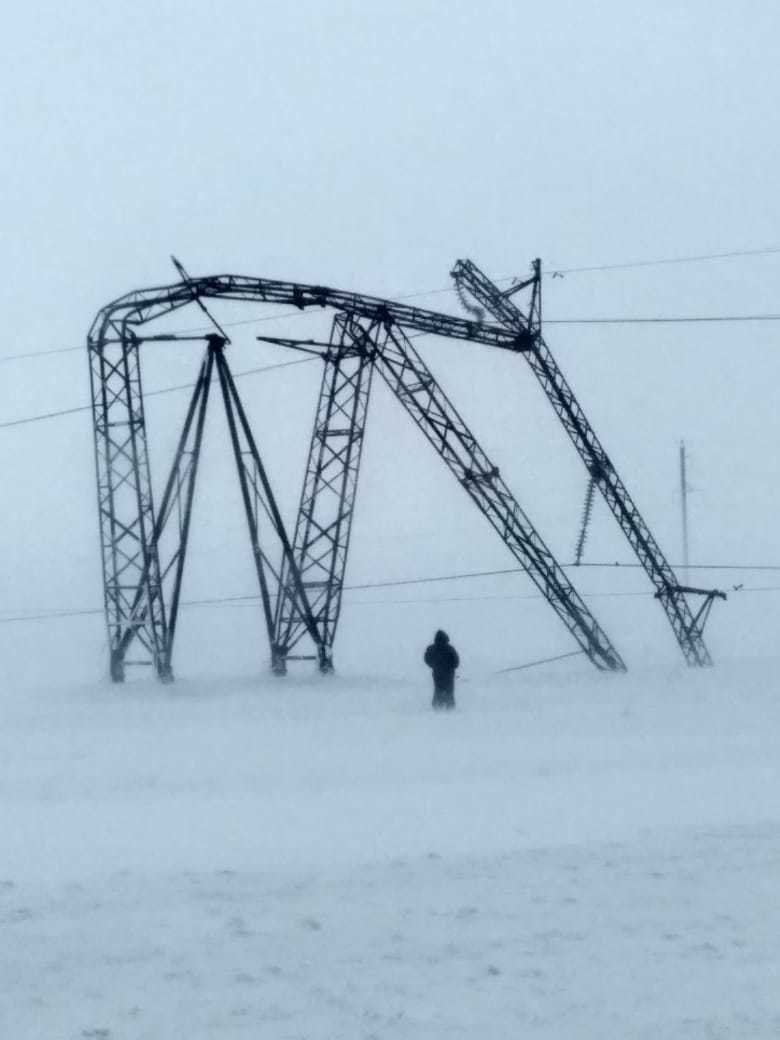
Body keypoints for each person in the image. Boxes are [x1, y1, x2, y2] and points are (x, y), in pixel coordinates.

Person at [424, 629, 460, 710]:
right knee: (449, 690)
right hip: (449, 674)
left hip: (437, 674)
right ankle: (449, 708)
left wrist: (433, 666)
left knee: (438, 690)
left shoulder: (431, 648)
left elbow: (426, 659)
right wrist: (451, 667)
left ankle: (437, 707)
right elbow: (456, 661)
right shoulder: (450, 648)